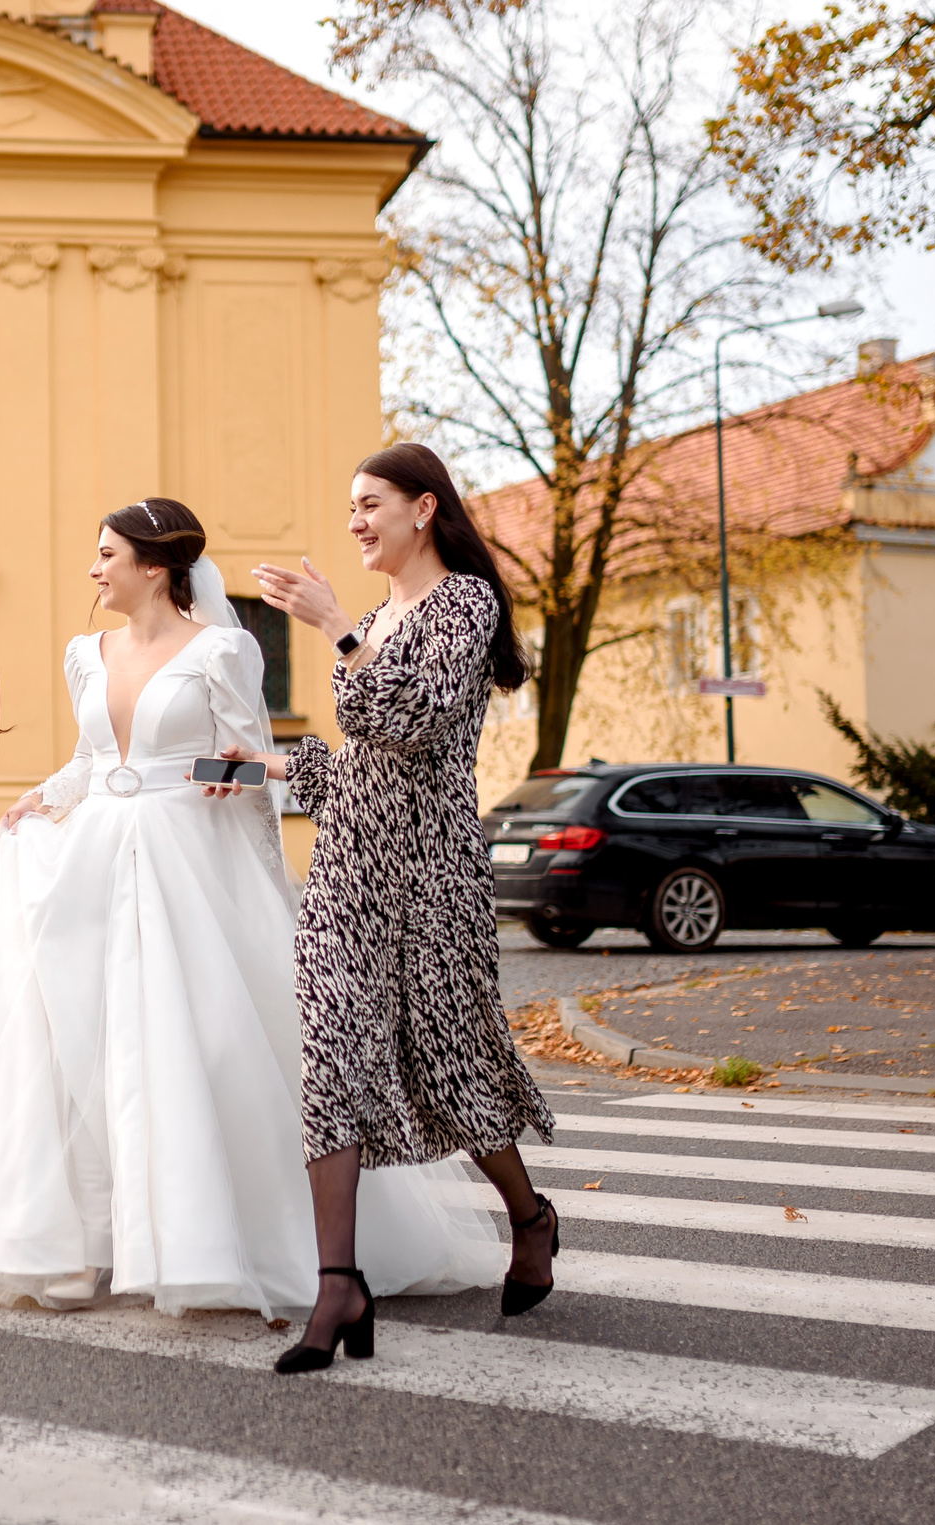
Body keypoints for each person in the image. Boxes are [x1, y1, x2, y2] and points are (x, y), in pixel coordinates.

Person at [0, 498, 500, 1320]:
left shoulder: (224, 648)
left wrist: (262, 881)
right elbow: (92, 760)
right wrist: (41, 797)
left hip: (186, 861)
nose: (95, 569)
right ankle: (90, 1237)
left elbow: (244, 761)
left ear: (153, 565)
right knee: (88, 1042)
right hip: (94, 858)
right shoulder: (83, 653)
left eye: (107, 555)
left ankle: (215, 1240)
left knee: (192, 1043)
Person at [244, 442, 559, 1374]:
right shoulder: (382, 615)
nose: (353, 521)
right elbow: (370, 761)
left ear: (424, 510)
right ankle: (337, 1280)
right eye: (349, 506)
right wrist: (275, 766)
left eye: (368, 503)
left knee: (455, 1064)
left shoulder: (465, 603)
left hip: (435, 875)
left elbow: (412, 717)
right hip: (349, 872)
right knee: (333, 1060)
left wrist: (338, 626)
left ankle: (530, 1213)